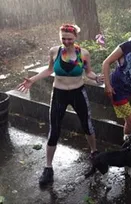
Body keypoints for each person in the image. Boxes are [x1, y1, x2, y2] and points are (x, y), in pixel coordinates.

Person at [17, 24, 102, 186]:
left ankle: (94, 153)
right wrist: (32, 80)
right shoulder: (54, 51)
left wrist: (96, 78)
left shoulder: (83, 54)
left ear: (75, 37)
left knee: (87, 124)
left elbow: (88, 72)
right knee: (54, 129)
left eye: (69, 39)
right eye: (63, 38)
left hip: (78, 93)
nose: (66, 41)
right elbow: (49, 70)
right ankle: (48, 168)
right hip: (59, 94)